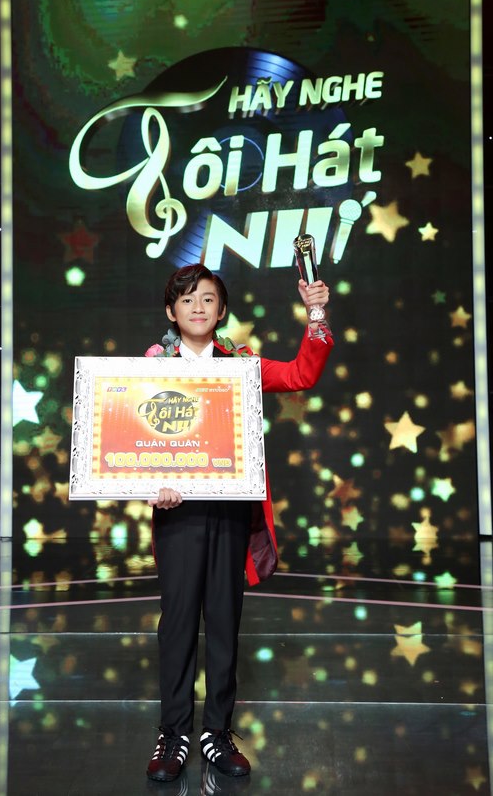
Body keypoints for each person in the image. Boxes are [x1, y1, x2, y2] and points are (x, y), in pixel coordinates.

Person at [145, 263, 333, 783]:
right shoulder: (153, 364)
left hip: (230, 507)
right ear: (171, 311)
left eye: (208, 299)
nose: (198, 307)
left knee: (224, 621)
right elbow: (133, 434)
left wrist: (316, 313)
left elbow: (301, 374)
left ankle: (217, 732)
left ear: (222, 310)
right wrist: (152, 482)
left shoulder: (242, 363)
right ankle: (173, 734)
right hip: (178, 511)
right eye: (187, 299)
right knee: (178, 623)